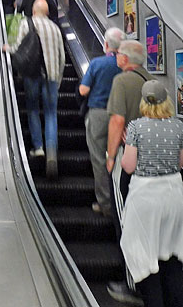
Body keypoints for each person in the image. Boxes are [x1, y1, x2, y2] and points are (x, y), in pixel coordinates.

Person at [120, 80, 183, 307]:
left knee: (145, 258)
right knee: (172, 256)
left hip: (145, 198)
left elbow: (128, 166)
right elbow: (181, 163)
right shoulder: (179, 126)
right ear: (166, 100)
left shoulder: (136, 127)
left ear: (144, 101)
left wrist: (127, 145)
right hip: (174, 196)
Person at [106, 40, 154, 305]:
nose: (115, 57)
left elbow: (117, 121)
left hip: (128, 160)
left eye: (118, 54)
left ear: (125, 59)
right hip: (153, 163)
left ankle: (133, 285)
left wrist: (111, 156)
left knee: (125, 219)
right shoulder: (152, 82)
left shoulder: (122, 81)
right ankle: (150, 282)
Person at [5, 0, 65, 178]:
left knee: (32, 109)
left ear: (33, 10)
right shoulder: (55, 28)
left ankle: (38, 148)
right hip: (52, 76)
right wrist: (58, 79)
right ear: (47, 12)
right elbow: (62, 57)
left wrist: (8, 48)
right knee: (51, 113)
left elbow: (19, 48)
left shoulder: (26, 23)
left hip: (32, 74)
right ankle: (52, 152)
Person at [79, 27, 125, 216]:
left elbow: (83, 90)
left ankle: (105, 204)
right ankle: (121, 203)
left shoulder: (97, 63)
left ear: (105, 44)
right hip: (120, 115)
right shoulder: (124, 65)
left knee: (99, 159)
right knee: (119, 158)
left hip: (98, 114)